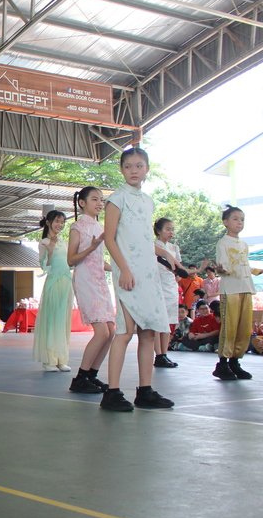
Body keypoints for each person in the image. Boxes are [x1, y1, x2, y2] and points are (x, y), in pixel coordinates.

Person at [101, 148, 178, 412]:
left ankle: (145, 390)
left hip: (148, 274)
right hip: (128, 274)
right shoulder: (116, 199)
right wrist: (124, 269)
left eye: (139, 166)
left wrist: (165, 254)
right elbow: (109, 238)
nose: (134, 170)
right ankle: (112, 392)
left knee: (149, 332)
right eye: (128, 166)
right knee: (124, 332)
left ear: (147, 169)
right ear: (121, 170)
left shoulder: (147, 201)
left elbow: (144, 240)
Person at [213, 206, 263, 381]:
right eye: (235, 219)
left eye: (242, 219)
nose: (239, 222)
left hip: (246, 287)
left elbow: (246, 266)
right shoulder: (222, 243)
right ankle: (222, 363)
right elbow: (223, 265)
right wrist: (221, 269)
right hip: (230, 289)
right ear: (225, 222)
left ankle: (235, 361)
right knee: (230, 327)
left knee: (243, 327)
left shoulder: (243, 244)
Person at [66, 186, 113, 394]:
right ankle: (80, 378)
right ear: (82, 203)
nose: (99, 203)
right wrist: (91, 247)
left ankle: (91, 376)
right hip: (85, 281)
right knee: (102, 332)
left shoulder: (99, 227)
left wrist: (119, 268)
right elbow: (71, 260)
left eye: (101, 199)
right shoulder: (77, 227)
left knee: (111, 332)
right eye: (95, 199)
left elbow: (99, 261)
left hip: (100, 281)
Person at [33, 210, 73, 372]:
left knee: (63, 322)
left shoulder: (64, 242)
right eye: (57, 221)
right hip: (54, 283)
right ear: (48, 222)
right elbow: (45, 267)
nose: (60, 225)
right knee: (52, 321)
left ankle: (61, 359)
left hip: (66, 283)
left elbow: (69, 263)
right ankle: (49, 360)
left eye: (62, 222)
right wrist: (50, 249)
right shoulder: (44, 242)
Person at [153, 217, 181, 369]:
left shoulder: (174, 248)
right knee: (158, 323)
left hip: (171, 287)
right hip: (157, 287)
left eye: (172, 229)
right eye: (167, 229)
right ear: (158, 231)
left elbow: (178, 269)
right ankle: (158, 354)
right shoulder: (153, 246)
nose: (171, 232)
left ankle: (164, 353)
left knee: (168, 322)